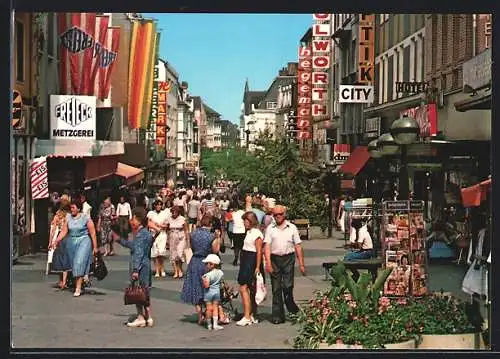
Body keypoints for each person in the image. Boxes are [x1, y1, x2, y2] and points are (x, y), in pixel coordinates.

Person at [112, 207, 154, 327]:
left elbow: (138, 252)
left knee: (137, 292)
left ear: (139, 220)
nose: (131, 221)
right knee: (144, 291)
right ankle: (148, 316)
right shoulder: (146, 233)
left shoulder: (140, 235)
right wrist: (120, 240)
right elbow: (135, 246)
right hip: (146, 263)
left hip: (140, 265)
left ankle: (140, 316)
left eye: (133, 219)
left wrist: (135, 269)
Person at [264, 205, 305, 324]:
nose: (278, 217)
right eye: (275, 215)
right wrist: (268, 262)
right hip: (274, 259)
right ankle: (277, 316)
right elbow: (266, 246)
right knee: (276, 289)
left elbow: (298, 246)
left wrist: (301, 264)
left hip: (288, 259)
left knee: (288, 286)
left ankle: (293, 310)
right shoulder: (270, 228)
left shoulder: (292, 227)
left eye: (280, 214)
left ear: (284, 214)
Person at [181, 214, 222, 325]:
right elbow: (215, 250)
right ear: (210, 224)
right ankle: (211, 313)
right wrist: (218, 238)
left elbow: (191, 247)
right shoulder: (211, 236)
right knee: (207, 288)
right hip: (206, 263)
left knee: (195, 287)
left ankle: (200, 315)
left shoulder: (193, 234)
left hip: (194, 262)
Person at [53, 198, 98, 297]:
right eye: (71, 208)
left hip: (84, 241)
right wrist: (56, 240)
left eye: (73, 207)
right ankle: (80, 283)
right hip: (72, 242)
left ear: (78, 208)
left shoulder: (86, 218)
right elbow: (64, 231)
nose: (72, 209)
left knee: (79, 262)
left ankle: (78, 288)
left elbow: (93, 233)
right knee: (74, 264)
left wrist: (95, 247)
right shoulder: (68, 217)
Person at [236, 211, 264, 326]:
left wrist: (257, 266)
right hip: (246, 258)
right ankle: (251, 313)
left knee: (244, 287)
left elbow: (258, 252)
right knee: (250, 288)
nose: (244, 223)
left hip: (251, 260)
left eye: (245, 221)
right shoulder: (249, 232)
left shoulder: (256, 233)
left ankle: (247, 315)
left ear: (251, 221)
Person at [49, 195, 72, 290]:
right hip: (69, 237)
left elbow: (53, 229)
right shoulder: (71, 215)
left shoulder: (58, 215)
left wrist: (51, 241)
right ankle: (65, 280)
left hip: (60, 237)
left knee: (59, 258)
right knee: (67, 259)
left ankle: (61, 281)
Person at [201, 254, 225, 331]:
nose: (206, 265)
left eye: (207, 263)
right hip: (216, 292)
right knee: (215, 308)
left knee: (209, 308)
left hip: (209, 293)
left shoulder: (207, 275)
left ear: (212, 264)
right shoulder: (220, 272)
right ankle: (215, 324)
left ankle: (209, 324)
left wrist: (203, 280)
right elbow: (221, 282)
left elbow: (206, 285)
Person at [147, 200, 170, 278]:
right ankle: (157, 270)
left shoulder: (165, 213)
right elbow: (148, 223)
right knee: (155, 253)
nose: (158, 206)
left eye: (160, 205)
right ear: (154, 206)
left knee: (161, 253)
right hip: (153, 234)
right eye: (157, 205)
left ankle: (162, 269)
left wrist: (160, 225)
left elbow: (167, 225)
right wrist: (155, 226)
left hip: (162, 234)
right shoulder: (151, 213)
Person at [167, 206, 189, 279]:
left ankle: (180, 268)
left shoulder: (182, 219)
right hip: (172, 236)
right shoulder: (169, 218)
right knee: (173, 254)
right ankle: (176, 271)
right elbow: (167, 229)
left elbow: (186, 230)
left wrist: (188, 240)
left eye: (175, 212)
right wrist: (167, 239)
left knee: (180, 253)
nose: (174, 213)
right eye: (172, 212)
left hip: (181, 237)